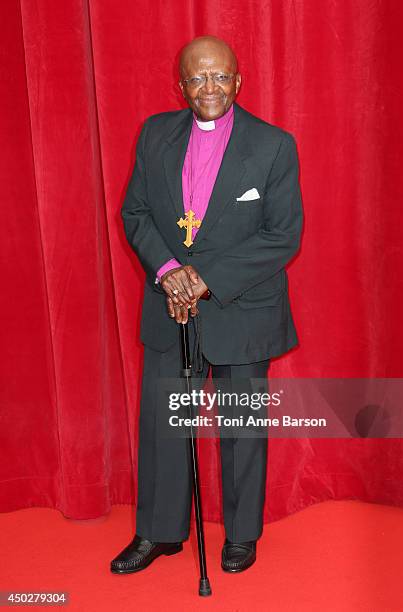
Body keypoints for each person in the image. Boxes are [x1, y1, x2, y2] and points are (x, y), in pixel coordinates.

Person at [111, 35, 303, 575]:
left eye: (220, 77)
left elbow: (282, 235)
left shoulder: (273, 146)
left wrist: (204, 279)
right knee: (164, 424)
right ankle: (158, 532)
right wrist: (171, 273)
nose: (209, 88)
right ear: (182, 86)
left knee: (242, 427)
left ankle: (241, 536)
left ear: (238, 81)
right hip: (169, 304)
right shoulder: (154, 135)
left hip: (242, 307)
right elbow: (137, 213)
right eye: (197, 78)